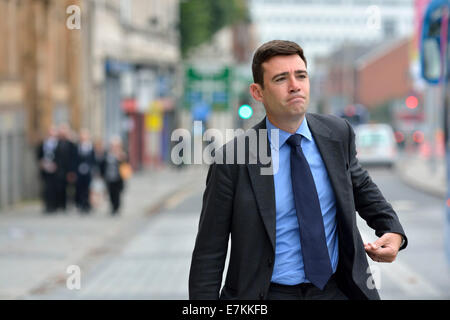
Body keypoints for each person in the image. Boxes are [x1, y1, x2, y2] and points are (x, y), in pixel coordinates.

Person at [189, 40, 408, 300]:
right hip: (267, 294)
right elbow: (209, 251)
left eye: (301, 75)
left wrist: (392, 230)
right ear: (258, 92)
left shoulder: (337, 134)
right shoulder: (232, 159)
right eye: (281, 79)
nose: (295, 85)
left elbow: (362, 188)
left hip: (336, 290)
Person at [100, 136, 126, 215]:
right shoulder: (107, 154)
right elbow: (103, 164)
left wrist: (121, 159)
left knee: (117, 193)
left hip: (118, 177)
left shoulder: (122, 154)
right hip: (109, 176)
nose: (114, 147)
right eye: (113, 145)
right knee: (110, 193)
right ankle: (112, 207)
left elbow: (125, 165)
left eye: (116, 145)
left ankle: (117, 207)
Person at [54, 123, 77, 212]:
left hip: (68, 170)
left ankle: (68, 204)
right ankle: (59, 205)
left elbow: (74, 157)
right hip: (59, 170)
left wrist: (72, 171)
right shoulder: (57, 143)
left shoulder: (71, 144)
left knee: (70, 188)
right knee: (59, 188)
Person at [36, 125, 59, 213]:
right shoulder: (43, 143)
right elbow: (39, 156)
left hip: (55, 170)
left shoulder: (58, 143)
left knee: (54, 188)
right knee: (46, 188)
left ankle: (54, 205)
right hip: (45, 169)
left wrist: (56, 165)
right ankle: (47, 205)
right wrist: (42, 163)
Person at [75, 129, 96, 213]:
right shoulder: (77, 147)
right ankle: (81, 204)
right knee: (80, 188)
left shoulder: (91, 147)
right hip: (79, 171)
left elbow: (94, 160)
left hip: (88, 171)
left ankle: (87, 204)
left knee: (88, 188)